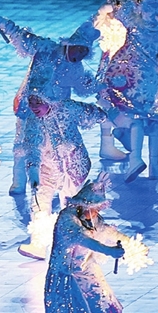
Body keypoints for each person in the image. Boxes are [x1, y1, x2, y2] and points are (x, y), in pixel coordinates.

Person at [0, 13, 101, 195]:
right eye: (78, 49)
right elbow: (20, 36)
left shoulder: (76, 69)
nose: (79, 55)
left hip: (55, 113)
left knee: (54, 145)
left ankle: (51, 181)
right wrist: (0, 21)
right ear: (70, 44)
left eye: (84, 52)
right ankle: (19, 180)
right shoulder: (46, 48)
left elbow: (83, 88)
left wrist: (99, 84)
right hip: (29, 106)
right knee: (23, 141)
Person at [17, 93, 107, 260]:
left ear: (48, 99)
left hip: (73, 167)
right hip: (48, 168)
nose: (34, 106)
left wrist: (103, 115)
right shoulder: (33, 122)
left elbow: (88, 112)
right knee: (40, 200)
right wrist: (34, 172)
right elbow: (33, 148)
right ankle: (38, 242)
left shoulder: (66, 108)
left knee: (71, 204)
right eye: (31, 102)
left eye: (38, 102)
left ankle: (76, 245)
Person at [93, 0, 157, 162]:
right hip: (112, 58)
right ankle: (107, 144)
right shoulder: (107, 7)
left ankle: (128, 133)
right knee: (106, 95)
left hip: (136, 59)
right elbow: (95, 27)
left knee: (131, 98)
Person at [98, 0, 158, 182]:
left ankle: (135, 158)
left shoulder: (134, 24)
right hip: (152, 80)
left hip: (131, 78)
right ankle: (155, 167)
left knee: (135, 116)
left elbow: (119, 10)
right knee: (153, 118)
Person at [44, 173, 141, 313]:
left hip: (88, 272)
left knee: (101, 305)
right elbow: (83, 239)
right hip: (68, 275)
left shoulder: (92, 219)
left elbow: (107, 231)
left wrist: (130, 244)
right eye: (95, 208)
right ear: (85, 206)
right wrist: (109, 250)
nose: (97, 212)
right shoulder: (67, 219)